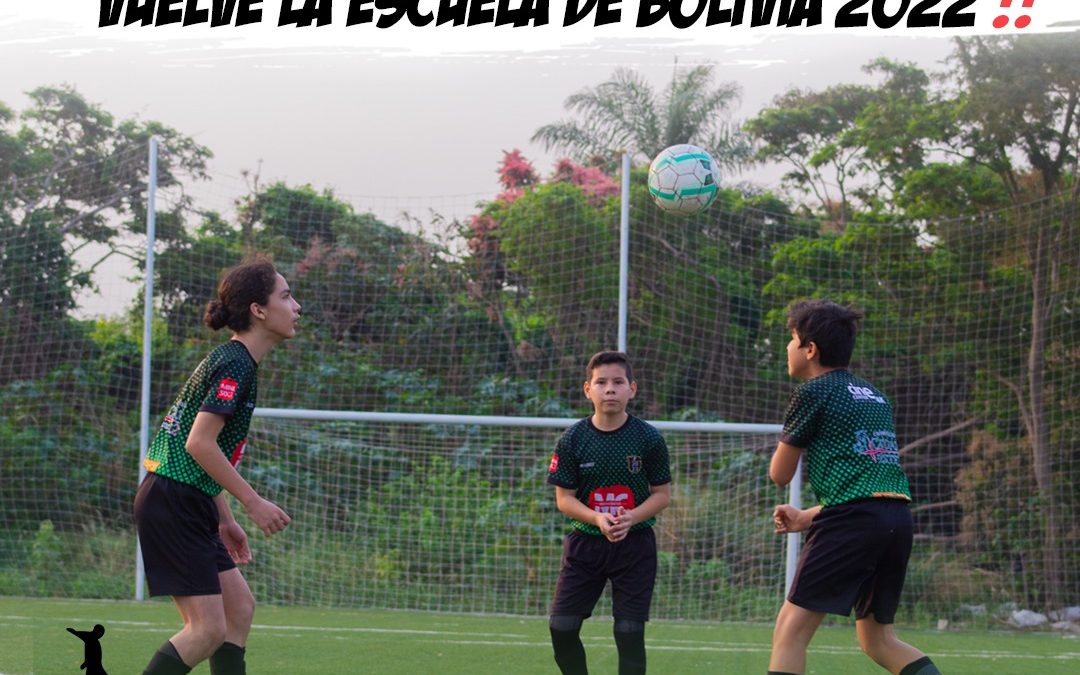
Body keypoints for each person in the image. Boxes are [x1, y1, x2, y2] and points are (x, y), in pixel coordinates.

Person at [134, 257, 300, 675]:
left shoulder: (238, 361)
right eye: (286, 295)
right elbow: (199, 443)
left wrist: (223, 517)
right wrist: (252, 502)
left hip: (188, 498)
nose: (296, 306)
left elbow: (206, 454)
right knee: (206, 630)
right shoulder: (236, 364)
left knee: (238, 609)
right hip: (172, 501)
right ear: (258, 311)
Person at [767, 300, 941, 675]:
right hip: (895, 519)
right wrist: (805, 516)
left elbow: (780, 474)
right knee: (878, 641)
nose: (787, 348)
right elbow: (870, 487)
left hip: (853, 523)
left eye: (792, 340)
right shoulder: (875, 395)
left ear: (810, 349)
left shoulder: (812, 391)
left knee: (789, 632)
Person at [546, 351, 672, 675]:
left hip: (635, 545)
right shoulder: (573, 439)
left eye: (618, 382)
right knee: (562, 627)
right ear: (588, 389)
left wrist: (632, 517)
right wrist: (597, 518)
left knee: (629, 632)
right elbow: (564, 499)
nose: (610, 389)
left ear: (633, 388)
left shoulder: (648, 438)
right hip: (585, 545)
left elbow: (662, 495)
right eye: (601, 382)